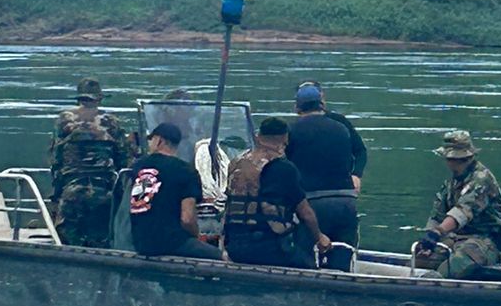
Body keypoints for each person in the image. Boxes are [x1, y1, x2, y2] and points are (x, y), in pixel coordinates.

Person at [224, 117, 332, 269]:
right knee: (308, 265)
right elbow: (305, 213)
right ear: (284, 138)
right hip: (269, 249)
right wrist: (319, 237)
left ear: (258, 136)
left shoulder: (235, 163)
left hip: (234, 246)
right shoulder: (283, 168)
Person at [286, 80, 367, 266]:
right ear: (321, 103)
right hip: (345, 203)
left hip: (311, 206)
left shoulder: (291, 131)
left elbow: (284, 169)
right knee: (342, 260)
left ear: (297, 107)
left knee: (304, 262)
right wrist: (355, 176)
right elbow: (360, 151)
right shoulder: (341, 127)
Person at [414, 129, 501, 279]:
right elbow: (437, 214)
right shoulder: (451, 183)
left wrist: (437, 232)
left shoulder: (481, 179)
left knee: (454, 265)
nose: (450, 163)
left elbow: (462, 212)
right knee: (419, 261)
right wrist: (429, 240)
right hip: (455, 239)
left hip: (485, 241)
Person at [48, 77, 128, 247]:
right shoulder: (110, 121)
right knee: (102, 243)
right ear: (99, 99)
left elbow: (56, 158)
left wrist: (55, 196)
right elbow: (123, 159)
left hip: (72, 190)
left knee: (67, 243)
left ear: (79, 98)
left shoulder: (64, 119)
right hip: (103, 191)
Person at [127, 122, 221, 260]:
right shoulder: (185, 170)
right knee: (221, 256)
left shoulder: (137, 167)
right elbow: (187, 219)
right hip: (171, 243)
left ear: (159, 141)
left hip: (140, 242)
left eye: (151, 140)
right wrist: (196, 237)